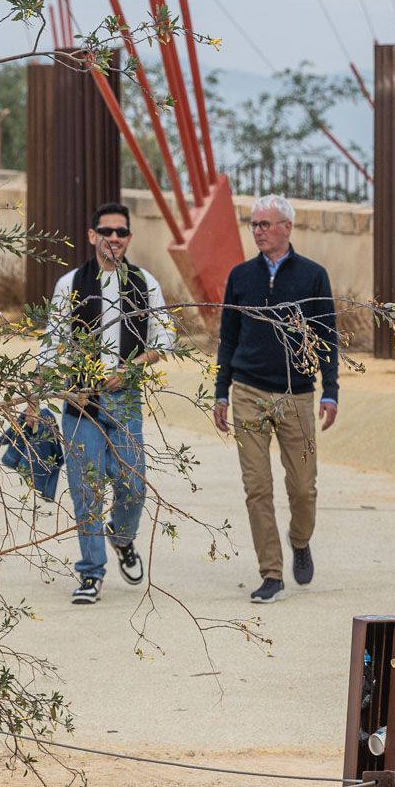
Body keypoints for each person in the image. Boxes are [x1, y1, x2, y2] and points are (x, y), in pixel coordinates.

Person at [35, 201, 176, 604]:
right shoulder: (70, 284)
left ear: (129, 238)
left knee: (132, 484)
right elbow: (52, 345)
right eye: (106, 231)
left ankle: (123, 537)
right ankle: (91, 573)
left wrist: (132, 368)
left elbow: (164, 338)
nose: (114, 238)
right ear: (92, 236)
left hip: (126, 399)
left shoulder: (145, 282)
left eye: (121, 232)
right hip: (81, 402)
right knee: (86, 489)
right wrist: (40, 393)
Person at [211, 194, 339, 604]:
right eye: (254, 225)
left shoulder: (313, 276)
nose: (258, 231)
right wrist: (220, 392)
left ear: (287, 227)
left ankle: (300, 540)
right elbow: (227, 337)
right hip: (247, 391)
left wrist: (331, 390)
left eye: (265, 224)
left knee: (303, 488)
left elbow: (327, 338)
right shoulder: (241, 276)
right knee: (257, 487)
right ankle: (271, 573)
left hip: (298, 395)